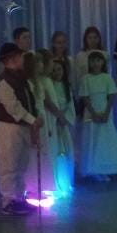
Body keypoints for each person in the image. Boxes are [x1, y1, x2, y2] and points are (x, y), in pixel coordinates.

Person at [0, 43, 43, 215]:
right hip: (10, 127)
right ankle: (8, 201)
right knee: (9, 164)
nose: (23, 59)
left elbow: (30, 102)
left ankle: (19, 198)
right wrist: (32, 120)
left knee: (21, 164)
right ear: (12, 59)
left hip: (22, 127)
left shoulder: (22, 80)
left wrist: (34, 119)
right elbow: (14, 108)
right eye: (20, 56)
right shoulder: (4, 82)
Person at [79, 51, 117, 180]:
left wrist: (106, 113)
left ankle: (104, 169)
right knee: (92, 139)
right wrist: (93, 113)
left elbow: (111, 96)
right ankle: (91, 169)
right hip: (91, 112)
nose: (95, 63)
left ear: (103, 63)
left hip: (105, 110)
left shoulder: (107, 77)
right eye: (93, 61)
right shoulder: (86, 79)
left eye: (98, 61)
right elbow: (85, 97)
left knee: (104, 140)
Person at [24, 49, 63, 197]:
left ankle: (41, 185)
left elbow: (46, 100)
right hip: (35, 118)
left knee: (43, 151)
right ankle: (32, 186)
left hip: (42, 118)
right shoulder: (28, 83)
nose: (42, 65)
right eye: (39, 62)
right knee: (34, 152)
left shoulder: (39, 82)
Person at [52, 59, 76, 193]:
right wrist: (57, 117)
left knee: (67, 150)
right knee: (57, 151)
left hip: (64, 123)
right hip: (54, 122)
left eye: (59, 69)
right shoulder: (50, 85)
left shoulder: (67, 87)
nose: (57, 73)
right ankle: (57, 182)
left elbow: (70, 104)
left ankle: (67, 181)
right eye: (54, 70)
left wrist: (65, 119)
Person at [74, 27, 110, 96]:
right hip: (85, 91)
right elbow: (78, 76)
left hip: (101, 90)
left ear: (99, 39)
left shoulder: (105, 54)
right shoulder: (80, 55)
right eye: (90, 38)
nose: (92, 40)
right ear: (85, 39)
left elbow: (106, 72)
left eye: (95, 37)